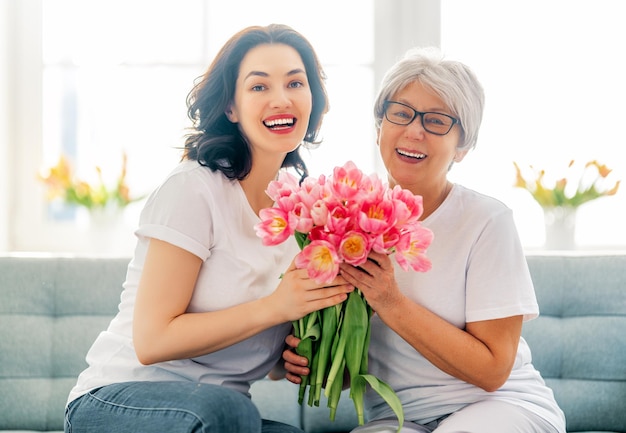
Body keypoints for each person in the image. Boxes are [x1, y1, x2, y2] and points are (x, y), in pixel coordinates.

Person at [64, 24, 354, 433]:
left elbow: (261, 355)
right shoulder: (194, 187)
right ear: (230, 108)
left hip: (221, 415)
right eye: (258, 87)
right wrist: (275, 307)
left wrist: (290, 355)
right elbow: (152, 341)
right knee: (227, 412)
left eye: (295, 82)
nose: (281, 99)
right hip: (119, 400)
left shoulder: (302, 213)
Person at [282, 47, 567, 433]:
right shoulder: (343, 220)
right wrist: (312, 359)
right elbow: (356, 369)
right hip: (398, 418)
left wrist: (390, 301)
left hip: (499, 405)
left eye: (436, 121)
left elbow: (493, 371)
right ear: (380, 125)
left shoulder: (487, 221)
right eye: (401, 113)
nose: (414, 131)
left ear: (462, 147)